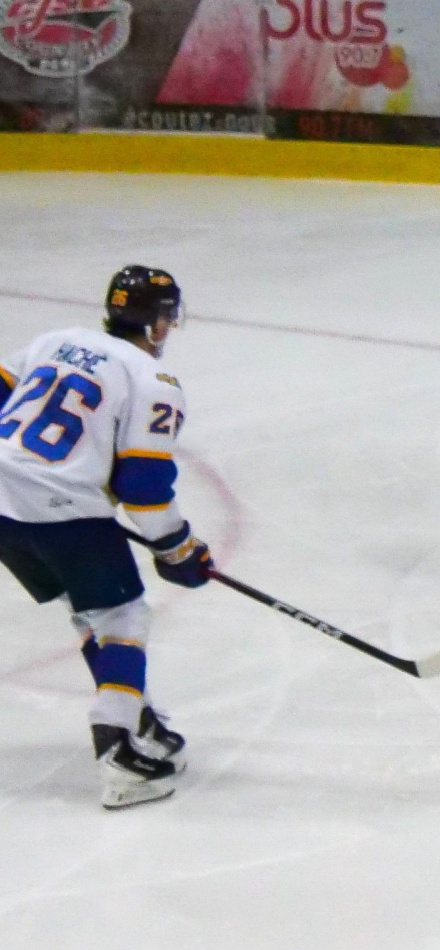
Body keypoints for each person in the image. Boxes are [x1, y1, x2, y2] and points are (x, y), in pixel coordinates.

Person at [0, 266, 212, 808]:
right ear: (156, 323)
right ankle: (117, 752)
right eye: (166, 317)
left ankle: (133, 710)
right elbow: (141, 487)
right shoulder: (154, 381)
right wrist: (178, 548)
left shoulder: (57, 339)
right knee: (124, 618)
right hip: (60, 507)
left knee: (90, 606)